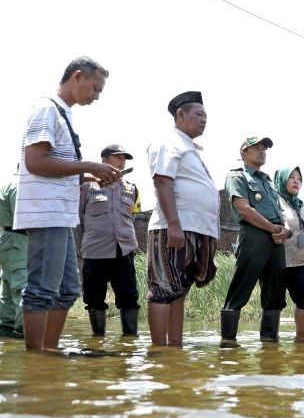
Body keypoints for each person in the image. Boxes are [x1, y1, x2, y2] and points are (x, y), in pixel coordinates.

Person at [14, 57, 121, 352]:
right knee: (42, 290)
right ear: (77, 76)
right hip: (46, 214)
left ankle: (50, 351)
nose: (97, 96)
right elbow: (36, 162)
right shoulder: (46, 109)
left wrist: (90, 176)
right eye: (95, 88)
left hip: (61, 215)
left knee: (67, 290)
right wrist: (88, 165)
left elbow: (56, 167)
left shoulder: (63, 114)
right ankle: (36, 359)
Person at [147, 91, 220, 347]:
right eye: (198, 114)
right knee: (162, 290)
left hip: (195, 229)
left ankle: (174, 348)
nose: (204, 120)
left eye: (206, 116)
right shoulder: (169, 142)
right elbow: (162, 181)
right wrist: (174, 225)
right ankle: (159, 352)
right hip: (174, 228)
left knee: (179, 291)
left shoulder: (189, 147)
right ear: (180, 114)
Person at [220, 136, 290, 346]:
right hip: (254, 236)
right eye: (256, 148)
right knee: (240, 290)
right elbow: (244, 209)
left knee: (274, 293)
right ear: (243, 153)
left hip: (276, 240)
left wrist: (284, 230)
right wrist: (272, 228)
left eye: (264, 148)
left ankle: (270, 345)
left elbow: (278, 212)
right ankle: (228, 345)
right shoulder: (237, 176)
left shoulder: (267, 180)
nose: (262, 151)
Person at [76, 144, 140, 337]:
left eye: (124, 158)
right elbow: (77, 220)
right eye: (117, 157)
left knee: (129, 298)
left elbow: (133, 217)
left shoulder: (132, 188)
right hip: (95, 252)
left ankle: (129, 343)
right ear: (104, 160)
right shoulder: (87, 187)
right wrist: (82, 250)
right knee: (94, 299)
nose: (122, 161)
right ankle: (97, 343)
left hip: (124, 251)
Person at [275, 165, 304, 339]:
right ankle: (271, 341)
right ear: (282, 179)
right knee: (274, 302)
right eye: (291, 177)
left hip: (299, 261)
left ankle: (300, 337)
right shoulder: (274, 202)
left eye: (299, 178)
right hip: (277, 261)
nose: (296, 181)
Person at [0, 175, 26, 339]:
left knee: (9, 287)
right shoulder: (20, 185)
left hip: (9, 239)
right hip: (18, 239)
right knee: (24, 287)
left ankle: (8, 326)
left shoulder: (7, 183)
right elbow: (22, 218)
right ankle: (23, 328)